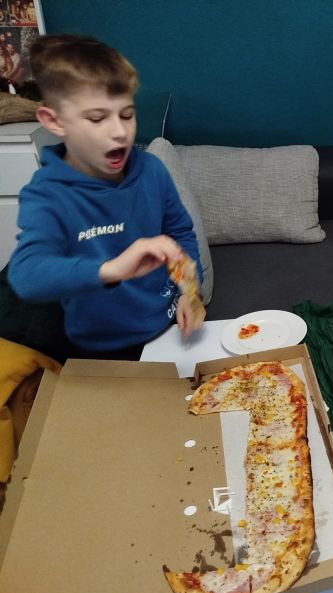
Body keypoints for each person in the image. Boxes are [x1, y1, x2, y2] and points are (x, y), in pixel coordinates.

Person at [8, 34, 205, 360]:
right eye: (97, 118)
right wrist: (112, 269)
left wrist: (190, 293)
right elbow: (26, 276)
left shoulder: (152, 170)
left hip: (170, 330)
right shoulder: (47, 194)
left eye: (126, 115)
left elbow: (181, 233)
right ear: (54, 121)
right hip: (100, 350)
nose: (119, 132)